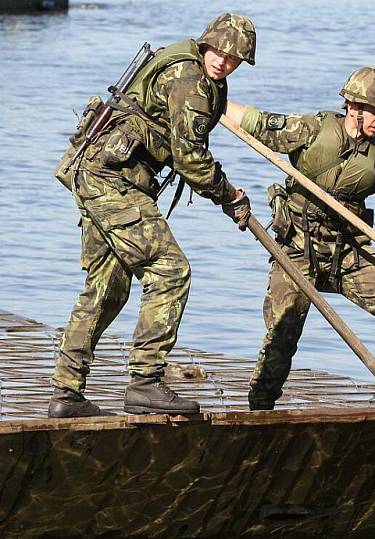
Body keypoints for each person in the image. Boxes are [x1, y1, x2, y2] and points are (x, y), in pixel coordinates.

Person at [48, 13, 256, 418]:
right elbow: (191, 159)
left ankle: (66, 394)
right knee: (171, 271)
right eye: (222, 51)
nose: (225, 62)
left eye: (235, 60)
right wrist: (229, 194)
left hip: (96, 173)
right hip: (112, 180)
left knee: (106, 289)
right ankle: (145, 382)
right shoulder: (191, 77)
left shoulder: (190, 70)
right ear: (208, 41)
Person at [225, 66, 375, 410]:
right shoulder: (312, 130)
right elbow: (257, 123)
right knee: (284, 328)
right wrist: (211, 101)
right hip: (297, 247)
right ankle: (261, 402)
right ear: (354, 107)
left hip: (345, 251)